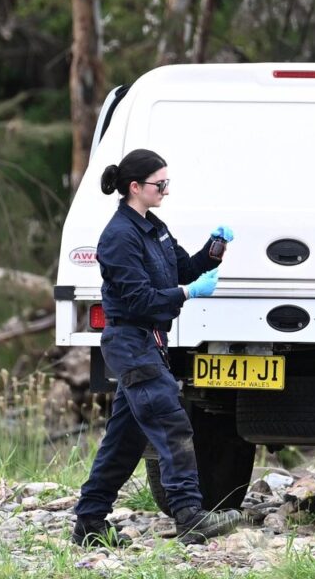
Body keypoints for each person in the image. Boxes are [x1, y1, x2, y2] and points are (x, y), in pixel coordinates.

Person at [71, 148, 243, 546]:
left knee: (124, 441)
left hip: (149, 341)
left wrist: (214, 249)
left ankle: (89, 523)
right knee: (171, 422)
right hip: (130, 341)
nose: (165, 190)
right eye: (159, 184)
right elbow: (140, 300)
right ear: (135, 187)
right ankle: (189, 516)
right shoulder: (118, 238)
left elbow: (183, 267)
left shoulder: (153, 227)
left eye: (167, 183)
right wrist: (187, 293)